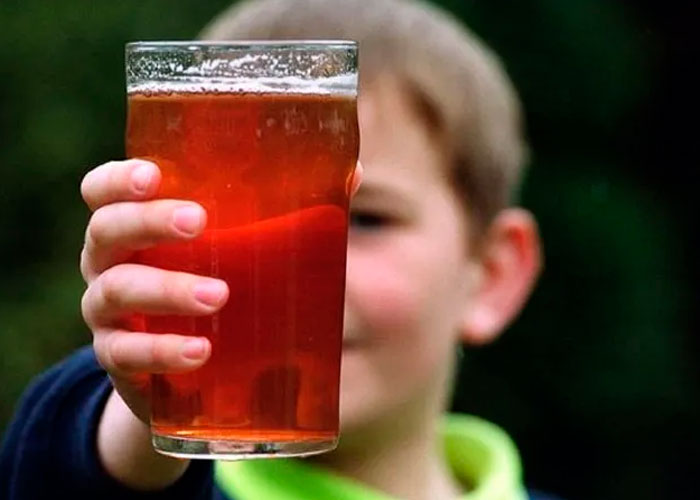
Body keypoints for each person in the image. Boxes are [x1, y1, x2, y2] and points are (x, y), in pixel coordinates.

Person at [0, 0, 551, 498]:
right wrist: (137, 429)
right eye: (229, 219)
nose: (290, 273)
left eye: (365, 220)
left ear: (492, 275)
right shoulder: (142, 476)